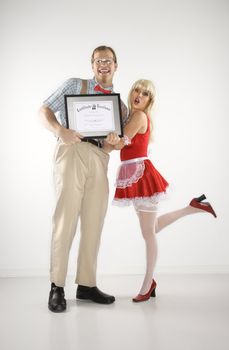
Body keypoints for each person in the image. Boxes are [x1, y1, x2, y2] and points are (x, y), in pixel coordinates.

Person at [108, 79, 216, 302]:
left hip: (141, 173)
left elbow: (119, 144)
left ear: (149, 101)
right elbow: (119, 142)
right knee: (152, 227)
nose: (139, 95)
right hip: (133, 173)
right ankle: (193, 206)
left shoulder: (138, 116)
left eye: (145, 93)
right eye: (137, 90)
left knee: (148, 233)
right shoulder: (131, 116)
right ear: (132, 92)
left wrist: (106, 136)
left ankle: (147, 284)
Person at [39, 45, 128, 312]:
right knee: (65, 219)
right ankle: (57, 286)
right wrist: (60, 130)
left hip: (99, 158)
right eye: (99, 60)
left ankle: (87, 285)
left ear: (116, 65)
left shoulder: (119, 106)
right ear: (92, 65)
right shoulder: (74, 85)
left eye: (109, 60)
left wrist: (115, 142)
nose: (104, 64)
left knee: (93, 222)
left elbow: (114, 144)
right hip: (71, 151)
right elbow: (43, 110)